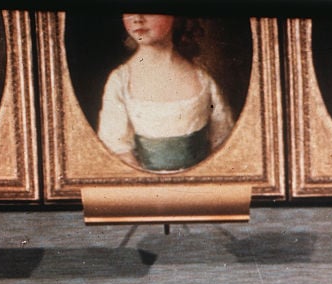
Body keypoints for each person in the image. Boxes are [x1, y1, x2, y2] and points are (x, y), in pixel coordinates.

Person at [97, 13, 234, 172]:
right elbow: (116, 149)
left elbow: (223, 141)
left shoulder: (203, 79)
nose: (137, 18)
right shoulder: (120, 81)